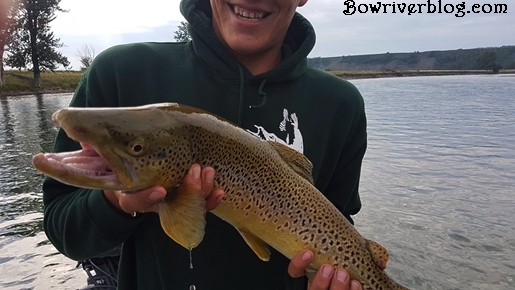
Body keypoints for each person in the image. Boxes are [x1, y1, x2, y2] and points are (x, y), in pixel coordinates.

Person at [42, 0, 368, 289]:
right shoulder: (120, 73)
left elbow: (339, 222)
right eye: (138, 149)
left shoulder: (340, 104)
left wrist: (330, 282)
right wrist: (120, 203)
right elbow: (64, 228)